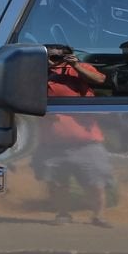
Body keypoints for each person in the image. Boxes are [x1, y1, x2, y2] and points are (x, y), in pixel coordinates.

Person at [42, 44, 114, 227]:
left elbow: (100, 79)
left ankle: (99, 216)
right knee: (57, 183)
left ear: (68, 56)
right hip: (54, 142)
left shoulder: (79, 68)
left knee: (96, 183)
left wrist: (75, 65)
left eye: (56, 57)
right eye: (47, 56)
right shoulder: (38, 74)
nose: (51, 60)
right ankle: (63, 214)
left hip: (87, 141)